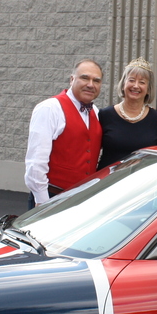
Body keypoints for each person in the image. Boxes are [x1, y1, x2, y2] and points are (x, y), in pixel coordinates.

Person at [24, 58, 104, 207]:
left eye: (96, 81)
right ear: (72, 79)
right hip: (51, 198)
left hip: (81, 199)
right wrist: (42, 201)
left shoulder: (96, 112)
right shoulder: (49, 108)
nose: (90, 85)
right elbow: (36, 161)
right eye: (85, 78)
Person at [97, 59, 157, 168]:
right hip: (108, 181)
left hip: (142, 182)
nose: (136, 86)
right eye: (132, 80)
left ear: (148, 89)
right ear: (124, 83)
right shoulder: (105, 115)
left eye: (142, 82)